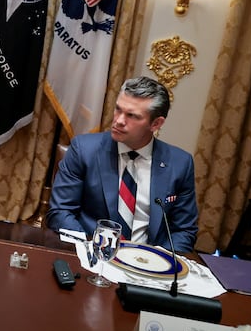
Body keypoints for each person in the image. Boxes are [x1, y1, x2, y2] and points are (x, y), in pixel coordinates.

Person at [47, 76, 198, 252]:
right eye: (118, 110)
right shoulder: (84, 150)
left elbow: (184, 230)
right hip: (92, 255)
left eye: (132, 116)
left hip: (148, 264)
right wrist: (91, 251)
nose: (119, 120)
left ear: (156, 123)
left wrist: (158, 262)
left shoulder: (180, 164)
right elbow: (60, 212)